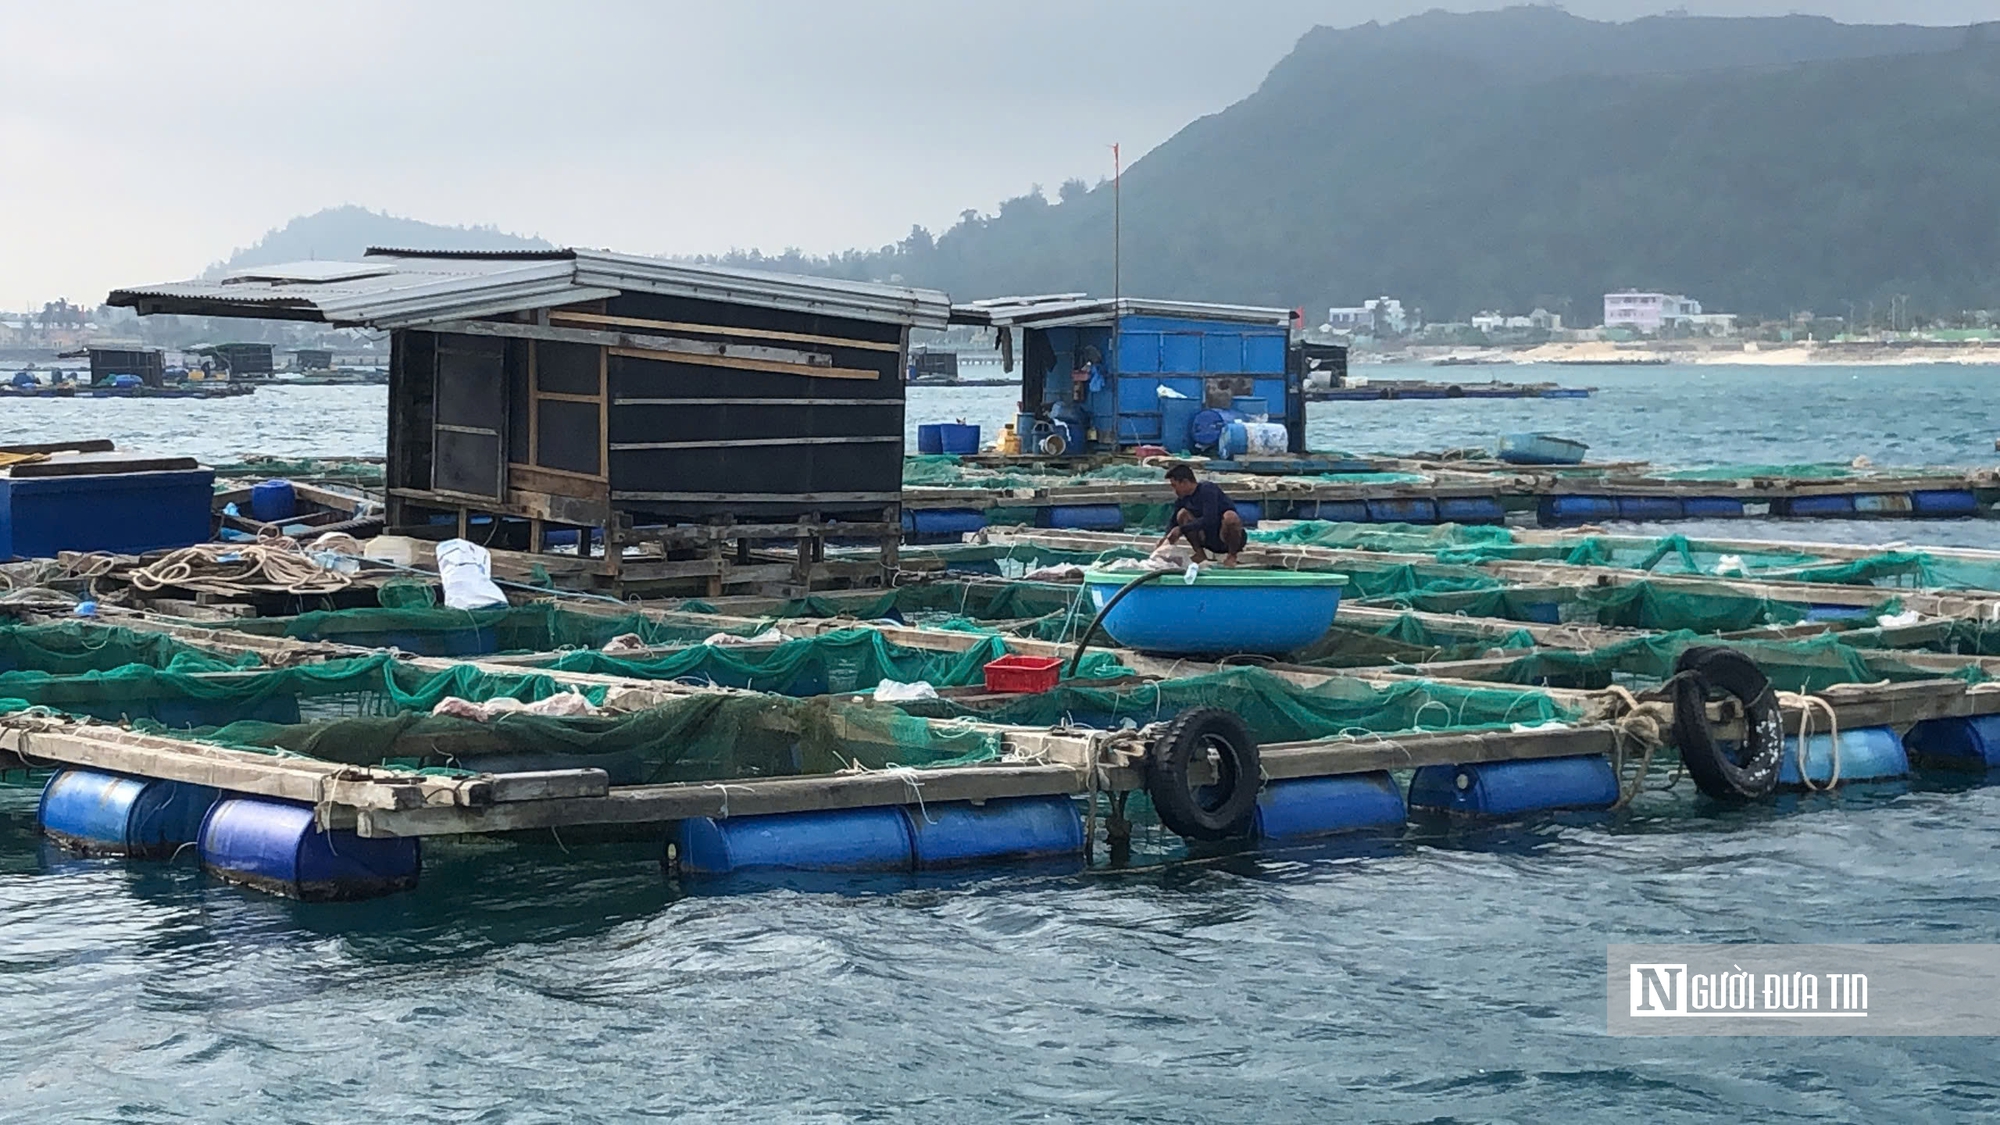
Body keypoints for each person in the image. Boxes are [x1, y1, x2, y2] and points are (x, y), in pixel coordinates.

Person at [1160, 463, 1246, 567]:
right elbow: (1173, 521)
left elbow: (1210, 519)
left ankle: (1232, 556)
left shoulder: (1207, 490)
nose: (1174, 490)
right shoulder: (1183, 499)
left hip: (1224, 536)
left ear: (1185, 482)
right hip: (1207, 539)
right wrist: (1166, 537)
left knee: (1230, 517)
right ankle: (1200, 554)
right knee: (1182, 514)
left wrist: (1182, 530)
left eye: (1175, 486)